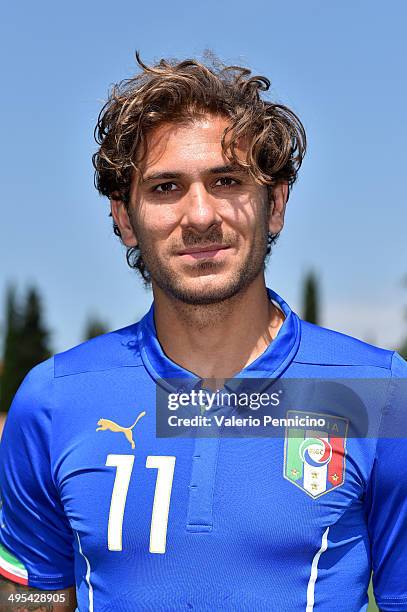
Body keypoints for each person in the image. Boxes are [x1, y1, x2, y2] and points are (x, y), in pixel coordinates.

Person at [0, 52, 406, 612]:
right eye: (166, 187)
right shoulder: (53, 400)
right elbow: (32, 605)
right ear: (124, 218)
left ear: (276, 204)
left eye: (227, 181)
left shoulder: (378, 393)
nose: (200, 215)